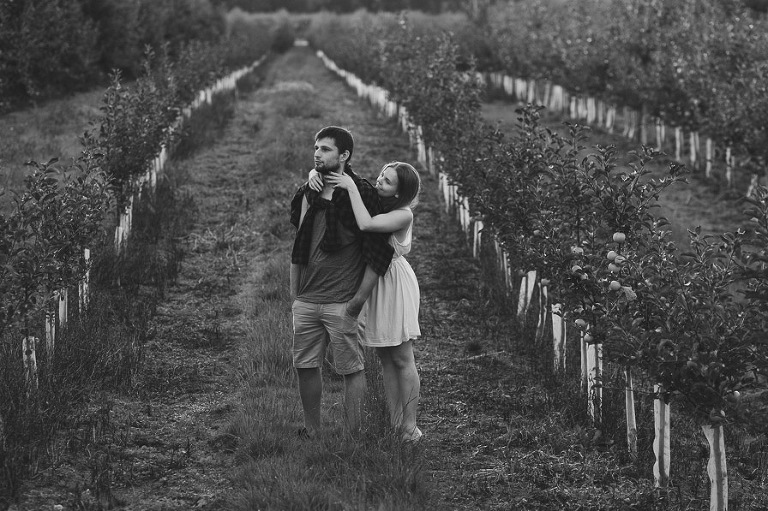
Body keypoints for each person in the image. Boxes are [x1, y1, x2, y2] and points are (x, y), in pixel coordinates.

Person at [290, 126, 394, 438]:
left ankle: (352, 436)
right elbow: (299, 244)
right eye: (316, 148)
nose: (317, 154)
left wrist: (357, 301)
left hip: (343, 299)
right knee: (305, 365)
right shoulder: (310, 189)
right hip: (307, 297)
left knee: (351, 369)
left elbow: (379, 252)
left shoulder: (361, 193)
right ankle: (312, 430)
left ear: (344, 155)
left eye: (325, 149)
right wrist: (295, 296)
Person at [311, 161, 423, 442]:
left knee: (402, 356)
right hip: (374, 283)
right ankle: (395, 423)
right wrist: (315, 173)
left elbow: (367, 224)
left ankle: (410, 426)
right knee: (385, 357)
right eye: (381, 175)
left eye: (387, 181)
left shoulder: (403, 214)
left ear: (399, 193)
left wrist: (350, 187)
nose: (379, 181)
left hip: (394, 285)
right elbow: (343, 170)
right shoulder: (376, 200)